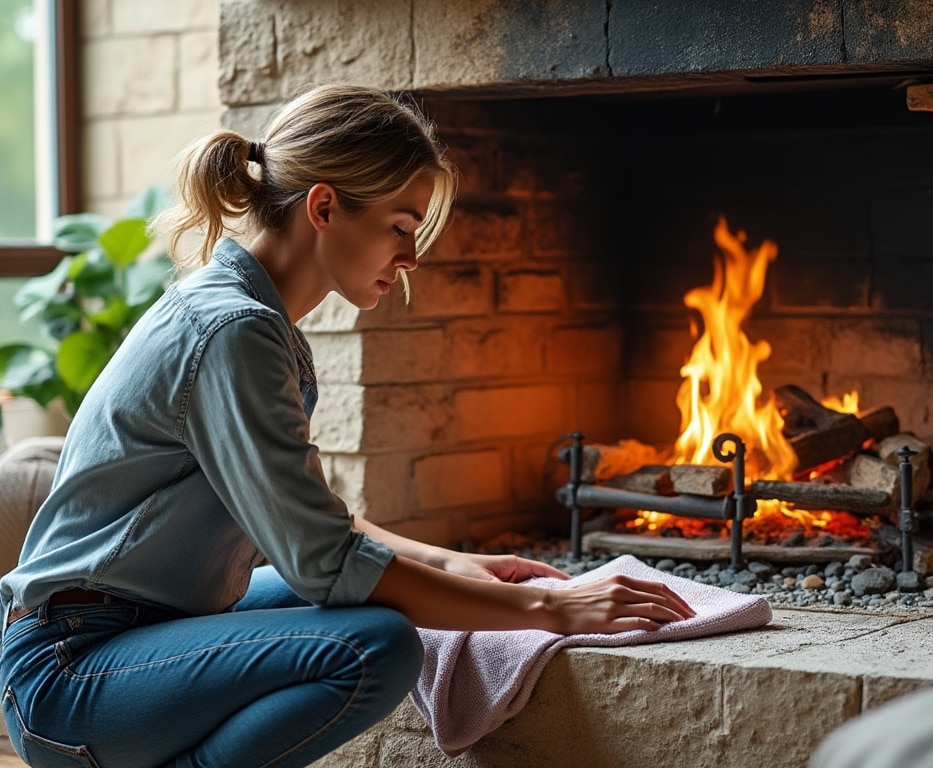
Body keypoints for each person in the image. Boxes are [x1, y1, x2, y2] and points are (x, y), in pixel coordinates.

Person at [0, 84, 695, 768]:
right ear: (324, 206)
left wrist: (451, 562)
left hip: (141, 628)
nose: (412, 258)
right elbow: (326, 562)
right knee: (376, 645)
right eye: (401, 227)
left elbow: (314, 528)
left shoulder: (248, 316)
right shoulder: (234, 331)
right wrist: (554, 608)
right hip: (71, 671)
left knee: (388, 603)